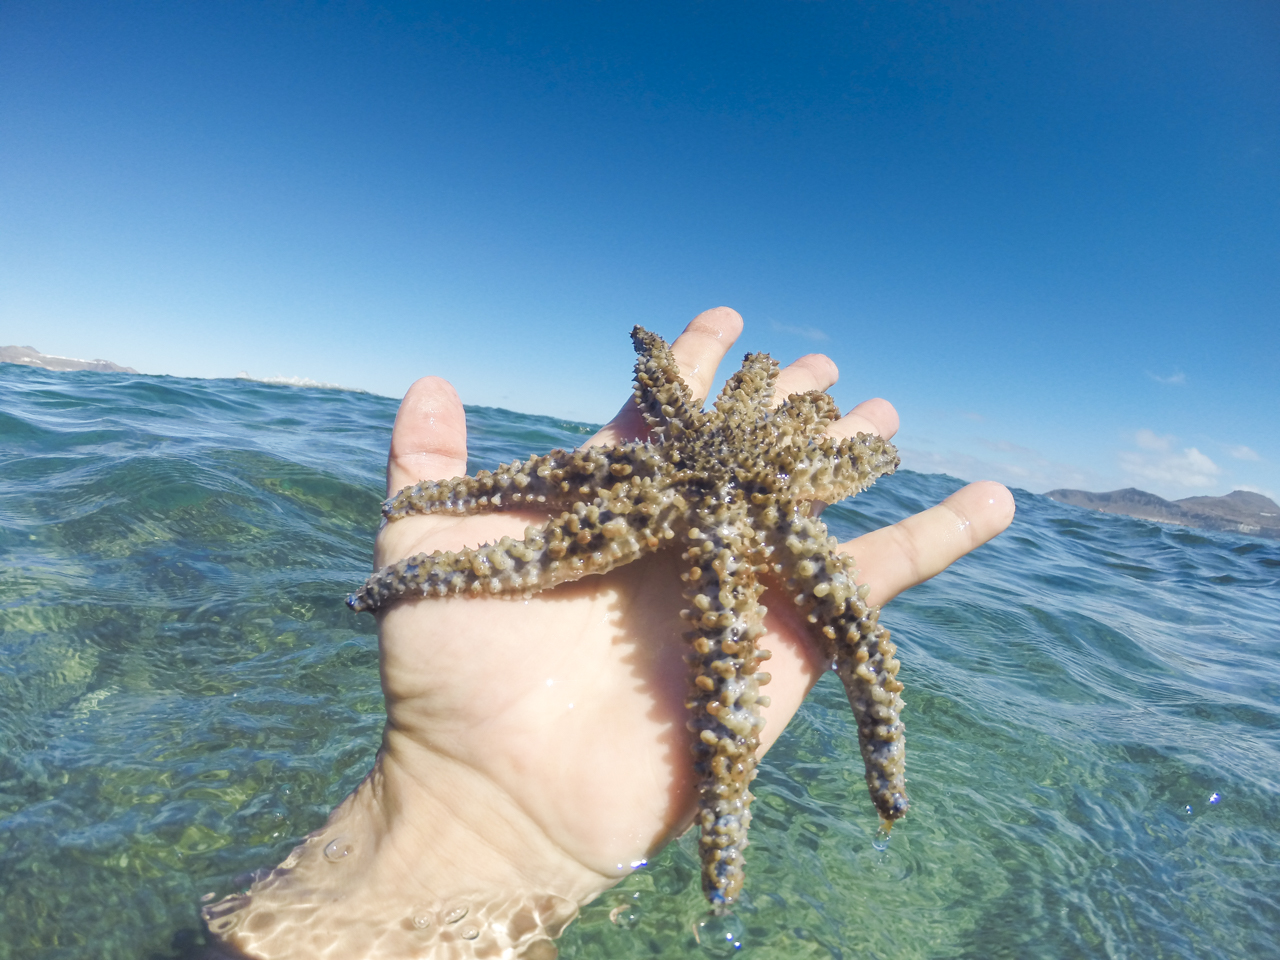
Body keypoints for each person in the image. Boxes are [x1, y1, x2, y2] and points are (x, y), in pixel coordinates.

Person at [204, 308, 1015, 959]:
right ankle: (733, 855)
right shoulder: (683, 478)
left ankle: (738, 847)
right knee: (814, 664)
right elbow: (540, 481)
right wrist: (410, 567)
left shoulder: (697, 477)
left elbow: (543, 473)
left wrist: (407, 565)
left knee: (832, 659)